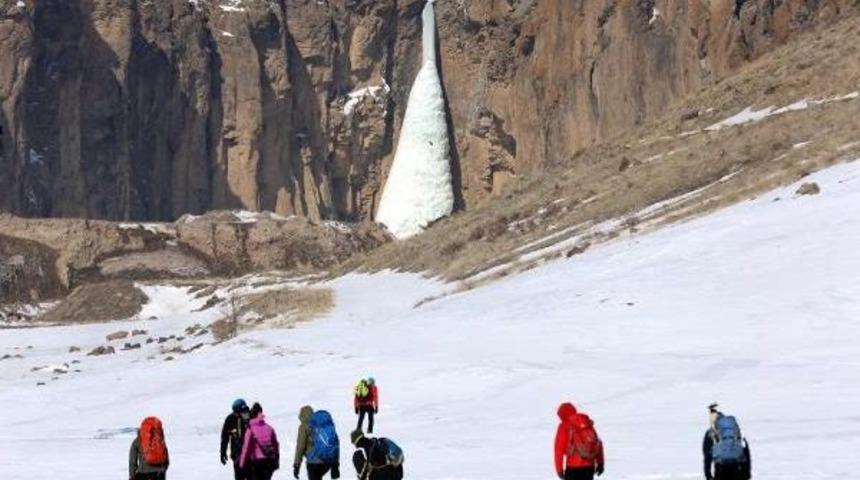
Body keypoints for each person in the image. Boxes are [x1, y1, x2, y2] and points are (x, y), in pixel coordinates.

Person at [554, 402, 604, 480]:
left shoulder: (564, 426)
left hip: (573, 468)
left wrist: (559, 469)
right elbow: (597, 444)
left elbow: (558, 450)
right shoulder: (586, 423)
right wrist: (600, 463)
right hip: (589, 467)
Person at [703, 404, 751, 480]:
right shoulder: (736, 430)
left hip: (720, 469)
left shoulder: (711, 433)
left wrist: (708, 476)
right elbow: (746, 449)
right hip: (738, 469)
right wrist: (747, 473)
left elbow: (707, 457)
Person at [293, 405, 341, 480]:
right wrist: (335, 465)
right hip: (328, 462)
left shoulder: (303, 426)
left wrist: (297, 465)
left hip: (313, 462)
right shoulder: (322, 424)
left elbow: (300, 447)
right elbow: (335, 443)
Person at [239, 403, 281, 480]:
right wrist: (277, 461)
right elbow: (276, 445)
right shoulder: (269, 428)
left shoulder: (250, 429)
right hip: (269, 460)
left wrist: (242, 464)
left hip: (256, 462)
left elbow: (246, 447)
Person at [222, 399, 252, 480]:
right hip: (237, 455)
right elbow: (225, 436)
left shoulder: (251, 418)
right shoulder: (230, 419)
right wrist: (223, 452)